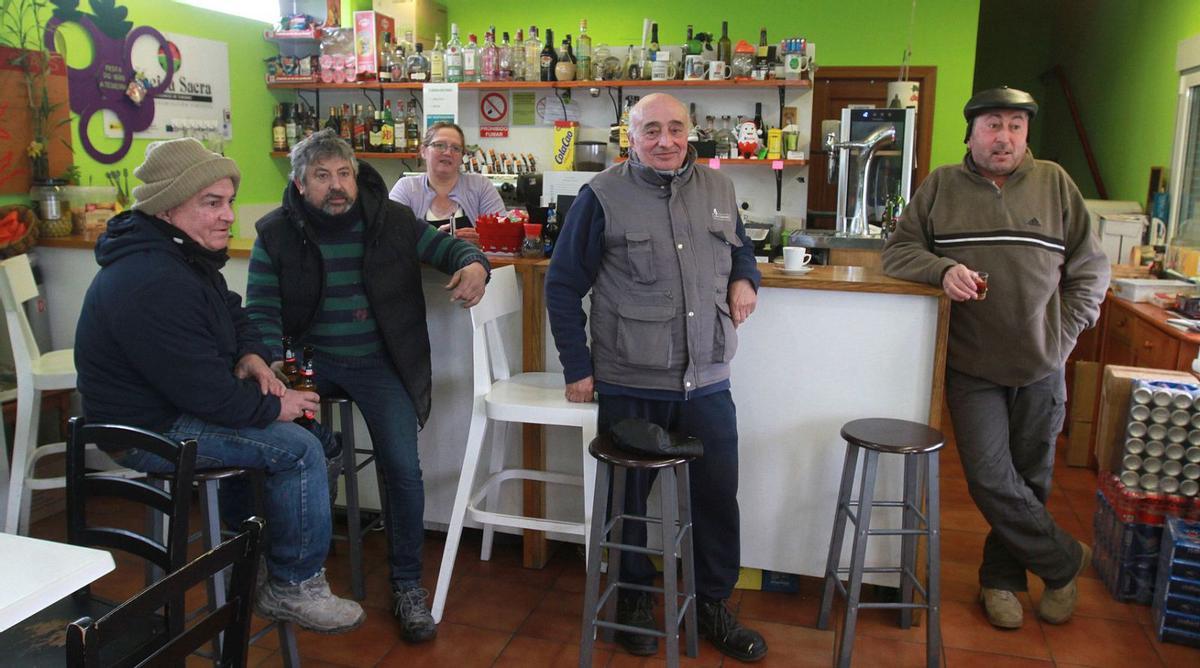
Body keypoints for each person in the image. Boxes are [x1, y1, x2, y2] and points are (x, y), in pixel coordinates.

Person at [75, 137, 365, 634]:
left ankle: (245, 561)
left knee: (301, 436)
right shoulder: (151, 278)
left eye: (229, 201)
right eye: (212, 203)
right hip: (146, 429)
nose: (228, 215)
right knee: (298, 449)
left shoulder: (181, 255)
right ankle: (291, 586)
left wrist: (253, 357)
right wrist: (280, 405)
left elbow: (236, 313)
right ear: (167, 208)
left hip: (173, 407)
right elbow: (208, 396)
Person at [546, 93, 767, 663]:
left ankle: (714, 603)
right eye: (651, 131)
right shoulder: (601, 197)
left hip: (708, 375)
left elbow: (741, 252)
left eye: (674, 129)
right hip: (630, 378)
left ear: (689, 132)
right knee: (629, 504)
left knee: (718, 497)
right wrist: (578, 368)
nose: (665, 141)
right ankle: (633, 600)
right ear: (630, 136)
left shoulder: (719, 188)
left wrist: (747, 280)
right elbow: (563, 285)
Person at [245, 129, 490, 643]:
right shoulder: (275, 233)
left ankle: (406, 586)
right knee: (294, 455)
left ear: (355, 176)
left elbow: (448, 248)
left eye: (343, 174)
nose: (336, 186)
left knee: (403, 468)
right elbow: (262, 312)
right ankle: (296, 577)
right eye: (321, 176)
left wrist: (475, 264)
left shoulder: (392, 220)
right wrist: (277, 374)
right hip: (306, 362)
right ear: (299, 182)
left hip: (380, 362)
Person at [881, 86, 1110, 629]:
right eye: (991, 125)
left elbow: (1090, 268)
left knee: (1030, 478)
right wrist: (942, 269)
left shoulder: (1055, 182)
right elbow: (897, 251)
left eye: (1014, 125)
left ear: (1025, 133)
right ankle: (1061, 560)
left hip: (1042, 362)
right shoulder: (942, 185)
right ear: (971, 133)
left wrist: (1066, 329)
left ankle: (1000, 581)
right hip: (972, 363)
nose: (1003, 136)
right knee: (988, 477)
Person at [388, 121, 507, 245]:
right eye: (440, 145)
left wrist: (483, 240)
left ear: (462, 157)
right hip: (418, 264)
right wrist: (432, 241)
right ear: (423, 151)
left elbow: (503, 235)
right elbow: (389, 238)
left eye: (456, 148)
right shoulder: (406, 188)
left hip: (471, 263)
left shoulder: (481, 186)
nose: (448, 153)